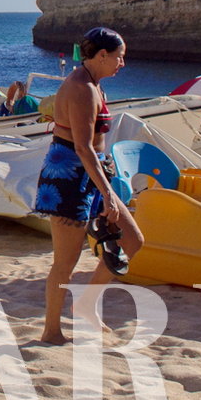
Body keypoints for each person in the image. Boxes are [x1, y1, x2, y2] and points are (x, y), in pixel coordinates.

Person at [33, 26, 141, 345]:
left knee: (132, 241)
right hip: (70, 176)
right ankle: (51, 331)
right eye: (119, 57)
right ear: (102, 55)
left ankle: (86, 304)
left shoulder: (95, 83)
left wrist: (105, 183)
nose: (123, 63)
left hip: (93, 174)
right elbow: (82, 146)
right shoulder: (82, 88)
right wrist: (107, 192)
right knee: (65, 263)